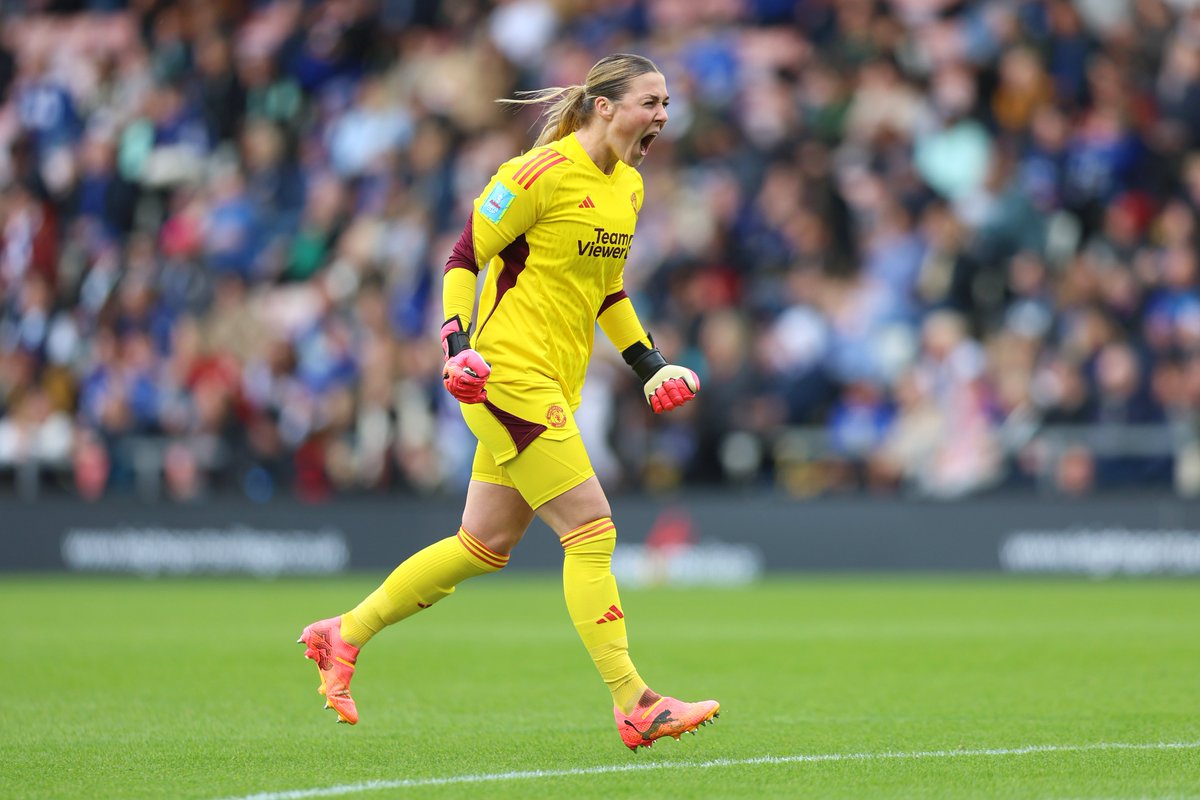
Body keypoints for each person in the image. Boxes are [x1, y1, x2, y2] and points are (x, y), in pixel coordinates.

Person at [298, 53, 720, 751]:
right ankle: (634, 702)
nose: (664, 115)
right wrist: (455, 345)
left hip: (555, 381)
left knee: (483, 545)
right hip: (503, 375)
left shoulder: (630, 189)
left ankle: (345, 633)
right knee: (591, 528)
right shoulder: (537, 174)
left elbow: (605, 291)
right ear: (606, 106)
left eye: (667, 102)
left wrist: (649, 363)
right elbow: (463, 256)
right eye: (651, 101)